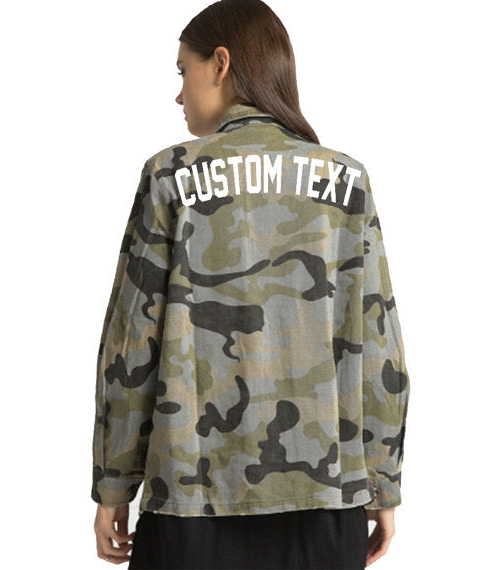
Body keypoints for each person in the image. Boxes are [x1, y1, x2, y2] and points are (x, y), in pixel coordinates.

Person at [91, 1, 410, 568]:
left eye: (182, 71)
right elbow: (379, 344)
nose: (179, 94)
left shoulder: (170, 175)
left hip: (190, 499)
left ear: (220, 63)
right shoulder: (346, 181)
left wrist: (115, 481)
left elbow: (132, 342)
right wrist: (382, 484)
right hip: (327, 500)